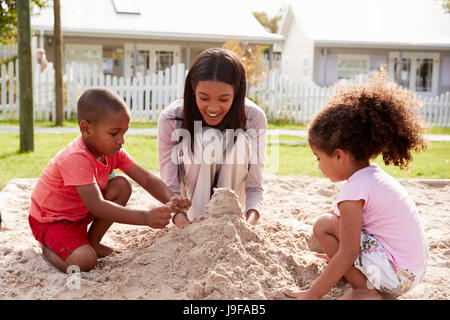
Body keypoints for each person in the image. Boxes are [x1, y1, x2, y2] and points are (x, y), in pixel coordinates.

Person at [285, 68, 429, 300]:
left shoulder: (354, 190)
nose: (319, 166)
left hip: (396, 275)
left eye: (318, 157)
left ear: (339, 156)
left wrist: (311, 295)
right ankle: (363, 277)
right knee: (336, 228)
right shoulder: (373, 176)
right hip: (412, 271)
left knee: (323, 225)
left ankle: (364, 290)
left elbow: (348, 251)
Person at [28, 88, 191, 273]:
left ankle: (93, 241)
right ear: (86, 129)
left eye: (124, 132)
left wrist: (172, 199)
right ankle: (48, 249)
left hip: (78, 213)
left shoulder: (111, 152)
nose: (121, 140)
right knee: (85, 260)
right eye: (114, 134)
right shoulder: (76, 157)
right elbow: (96, 205)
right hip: (51, 221)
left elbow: (146, 179)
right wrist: (145, 217)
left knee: (121, 185)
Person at [157, 48, 267, 228]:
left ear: (237, 91)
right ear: (193, 89)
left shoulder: (254, 117)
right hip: (190, 210)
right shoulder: (172, 117)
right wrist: (185, 225)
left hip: (233, 217)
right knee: (206, 137)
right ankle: (199, 216)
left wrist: (248, 225)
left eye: (223, 99)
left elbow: (255, 186)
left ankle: (225, 215)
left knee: (237, 138)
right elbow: (170, 188)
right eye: (204, 98)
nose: (213, 108)